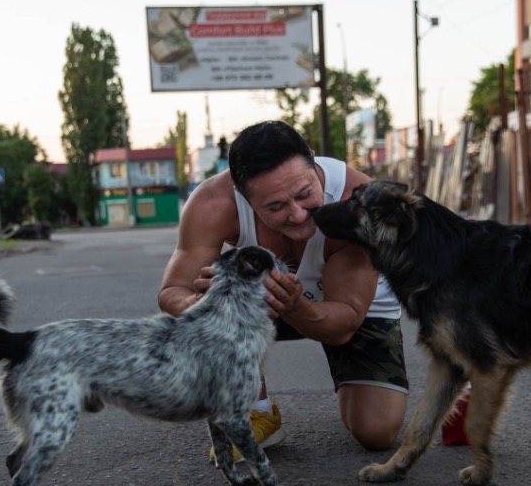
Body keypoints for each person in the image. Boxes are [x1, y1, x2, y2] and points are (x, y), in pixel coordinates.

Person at [158, 120, 407, 458]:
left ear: (315, 163)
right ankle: (256, 413)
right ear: (243, 195)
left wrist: (294, 306)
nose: (298, 214)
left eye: (305, 194)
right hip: (267, 300)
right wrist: (203, 304)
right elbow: (172, 291)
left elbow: (342, 327)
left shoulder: (359, 201)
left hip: (351, 305)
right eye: (275, 207)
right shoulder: (212, 204)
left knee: (376, 432)